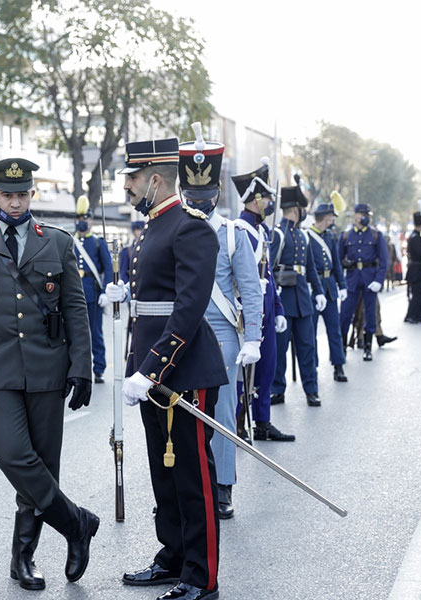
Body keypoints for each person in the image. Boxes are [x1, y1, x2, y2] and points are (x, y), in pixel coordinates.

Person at [0, 158, 97, 591]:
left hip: (47, 365)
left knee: (43, 464)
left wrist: (82, 366)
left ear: (31, 194)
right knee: (11, 455)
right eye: (7, 195)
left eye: (22, 194)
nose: (14, 202)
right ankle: (76, 523)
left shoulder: (57, 242)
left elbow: (76, 308)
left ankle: (22, 558)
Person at [107, 138, 226, 600]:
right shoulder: (152, 227)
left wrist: (152, 369)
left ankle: (201, 575)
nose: (127, 187)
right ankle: (173, 555)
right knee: (164, 471)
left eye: (133, 179)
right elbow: (151, 305)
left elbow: (188, 311)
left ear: (155, 180)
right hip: (150, 371)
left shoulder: (190, 228)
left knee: (192, 477)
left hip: (184, 372)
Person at [179, 135, 263, 521]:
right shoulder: (173, 230)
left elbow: (250, 290)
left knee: (223, 413)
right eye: (192, 195)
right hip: (180, 334)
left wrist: (253, 338)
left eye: (205, 195)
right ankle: (186, 487)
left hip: (221, 333)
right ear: (184, 193)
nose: (199, 202)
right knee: (180, 415)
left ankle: (222, 485)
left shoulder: (233, 234)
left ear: (216, 193)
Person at [232, 161, 295, 443]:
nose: (270, 204)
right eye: (267, 198)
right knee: (244, 370)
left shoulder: (262, 231)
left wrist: (277, 308)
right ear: (255, 199)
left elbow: (267, 272)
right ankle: (237, 423)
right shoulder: (239, 229)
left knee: (267, 366)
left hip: (266, 308)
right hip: (248, 309)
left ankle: (262, 422)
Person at [270, 175, 323, 407]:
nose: (303, 213)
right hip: (284, 300)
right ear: (295, 209)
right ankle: (277, 390)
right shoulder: (278, 234)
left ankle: (311, 389)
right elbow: (268, 270)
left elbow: (310, 267)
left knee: (308, 347)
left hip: (303, 299)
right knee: (279, 349)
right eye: (302, 209)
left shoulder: (302, 235)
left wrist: (318, 291)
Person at [338, 203, 389, 361]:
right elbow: (338, 260)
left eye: (367, 215)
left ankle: (367, 347)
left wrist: (379, 280)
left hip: (370, 278)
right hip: (352, 279)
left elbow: (384, 261)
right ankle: (342, 347)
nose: (365, 217)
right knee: (345, 314)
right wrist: (340, 283)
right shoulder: (346, 235)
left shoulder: (375, 235)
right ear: (355, 216)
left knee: (370, 314)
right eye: (362, 214)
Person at [307, 196, 348, 382]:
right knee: (311, 332)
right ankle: (312, 368)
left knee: (334, 329)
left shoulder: (330, 236)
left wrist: (342, 285)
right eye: (331, 217)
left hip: (330, 288)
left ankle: (338, 366)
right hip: (314, 290)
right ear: (325, 217)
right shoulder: (308, 236)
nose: (332, 220)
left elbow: (336, 263)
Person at [73, 195, 112, 383]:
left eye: (85, 218)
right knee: (76, 335)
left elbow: (108, 269)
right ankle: (78, 370)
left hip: (93, 294)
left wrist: (105, 292)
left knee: (95, 333)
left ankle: (99, 369)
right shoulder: (70, 242)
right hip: (74, 295)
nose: (83, 221)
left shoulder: (98, 242)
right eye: (80, 218)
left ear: (91, 220)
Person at [405, 211, 421, 324]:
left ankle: (419, 315)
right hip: (416, 270)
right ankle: (411, 315)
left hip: (420, 269)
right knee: (417, 294)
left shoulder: (419, 236)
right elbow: (420, 252)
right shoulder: (415, 237)